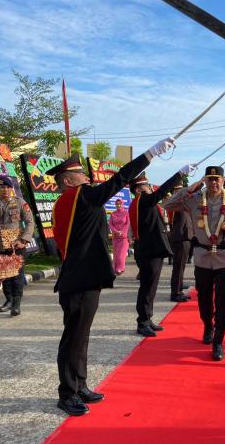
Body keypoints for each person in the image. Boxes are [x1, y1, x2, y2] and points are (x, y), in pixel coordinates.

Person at [49, 138, 174, 416]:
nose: (87, 178)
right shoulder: (77, 196)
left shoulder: (74, 199)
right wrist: (149, 154)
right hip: (79, 280)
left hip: (84, 277)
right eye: (80, 175)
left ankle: (79, 385)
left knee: (81, 337)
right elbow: (119, 180)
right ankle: (67, 393)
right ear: (68, 181)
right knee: (74, 338)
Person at [164, 166, 225, 361]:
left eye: (217, 179)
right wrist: (191, 187)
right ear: (205, 180)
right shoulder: (193, 200)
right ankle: (207, 326)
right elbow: (167, 204)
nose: (213, 183)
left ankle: (218, 339)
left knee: (223, 300)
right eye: (209, 179)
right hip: (202, 256)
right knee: (204, 299)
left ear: (223, 179)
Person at [129, 166, 194, 337]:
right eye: (146, 185)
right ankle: (142, 322)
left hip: (153, 250)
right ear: (138, 190)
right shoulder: (142, 200)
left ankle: (147, 318)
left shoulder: (143, 202)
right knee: (147, 287)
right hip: (149, 251)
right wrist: (179, 174)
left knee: (151, 288)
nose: (150, 187)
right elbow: (162, 191)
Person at [0, 175, 34, 316]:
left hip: (17, 245)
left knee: (17, 275)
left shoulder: (20, 203)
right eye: (2, 187)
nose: (5, 190)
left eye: (8, 187)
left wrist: (23, 240)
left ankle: (16, 304)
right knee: (4, 275)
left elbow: (30, 222)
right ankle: (8, 300)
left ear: (11, 188)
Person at [168, 183, 193, 302]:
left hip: (185, 237)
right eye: (179, 191)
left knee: (181, 266)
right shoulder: (175, 204)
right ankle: (175, 292)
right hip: (180, 238)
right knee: (178, 267)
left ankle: (179, 288)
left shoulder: (183, 204)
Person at [108, 198, 130, 275]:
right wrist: (116, 232)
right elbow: (110, 224)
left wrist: (122, 232)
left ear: (122, 204)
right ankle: (115, 268)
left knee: (121, 254)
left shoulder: (126, 213)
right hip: (115, 236)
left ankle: (120, 268)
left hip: (124, 237)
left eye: (120, 204)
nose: (118, 205)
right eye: (117, 204)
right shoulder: (112, 214)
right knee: (116, 254)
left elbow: (127, 224)